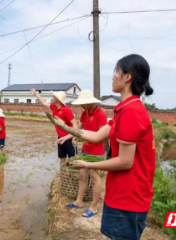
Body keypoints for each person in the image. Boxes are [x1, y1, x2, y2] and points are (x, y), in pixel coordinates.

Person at [46, 54, 155, 240]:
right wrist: (65, 129)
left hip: (129, 198)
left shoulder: (132, 112)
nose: (113, 76)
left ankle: (92, 206)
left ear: (127, 76)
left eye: (116, 71)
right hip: (121, 195)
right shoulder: (123, 109)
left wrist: (87, 165)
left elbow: (125, 162)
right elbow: (96, 136)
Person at [56, 90, 107, 218]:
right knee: (82, 177)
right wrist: (66, 138)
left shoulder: (101, 115)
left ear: (90, 102)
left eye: (83, 103)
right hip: (85, 151)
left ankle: (93, 207)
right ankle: (78, 202)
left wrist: (84, 138)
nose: (81, 106)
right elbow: (77, 130)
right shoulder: (85, 113)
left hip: (96, 154)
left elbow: (102, 137)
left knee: (95, 179)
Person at [30, 88, 77, 165]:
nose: (52, 98)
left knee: (73, 160)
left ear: (58, 99)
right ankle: (62, 175)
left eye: (53, 96)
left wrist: (74, 137)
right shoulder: (54, 108)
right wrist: (35, 94)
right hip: (60, 138)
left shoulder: (66, 110)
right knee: (62, 158)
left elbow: (75, 124)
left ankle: (74, 176)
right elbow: (44, 102)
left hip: (69, 139)